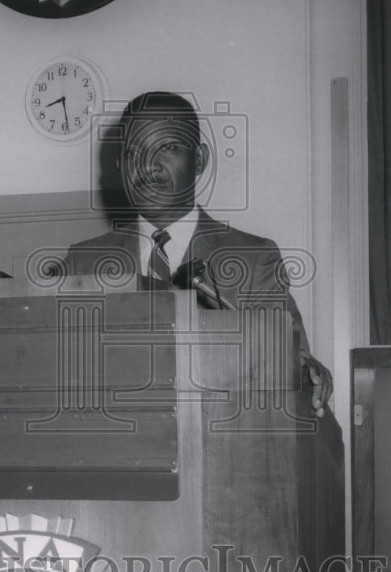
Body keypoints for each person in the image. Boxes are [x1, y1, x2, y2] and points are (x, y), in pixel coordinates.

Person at [65, 91, 333, 416]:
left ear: (200, 160)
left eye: (167, 147)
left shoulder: (255, 259)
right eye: (134, 151)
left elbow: (292, 364)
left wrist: (307, 375)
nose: (148, 166)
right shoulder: (83, 262)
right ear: (121, 166)